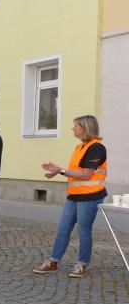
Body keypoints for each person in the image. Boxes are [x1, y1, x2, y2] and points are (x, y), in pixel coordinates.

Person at [33, 115, 107, 278]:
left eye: (76, 126)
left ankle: (82, 264)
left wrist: (61, 170)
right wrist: (57, 171)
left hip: (90, 196)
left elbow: (86, 175)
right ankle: (53, 262)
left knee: (83, 231)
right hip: (74, 195)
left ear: (85, 128)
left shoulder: (96, 148)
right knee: (63, 229)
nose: (73, 129)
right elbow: (75, 171)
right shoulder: (80, 146)